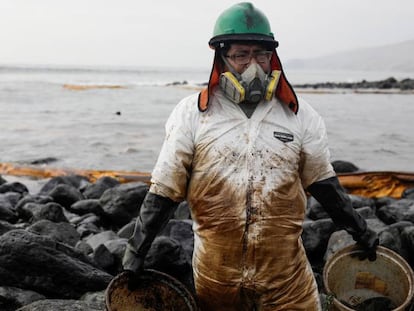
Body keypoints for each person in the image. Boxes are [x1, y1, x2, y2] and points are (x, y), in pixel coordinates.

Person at [122, 2, 378, 310]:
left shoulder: (299, 115)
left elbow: (323, 182)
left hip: (285, 275)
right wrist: (136, 252)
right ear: (222, 58)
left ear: (273, 57)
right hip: (216, 272)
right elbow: (164, 189)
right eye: (241, 55)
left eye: (261, 55)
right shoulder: (193, 114)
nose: (253, 65)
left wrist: (361, 231)